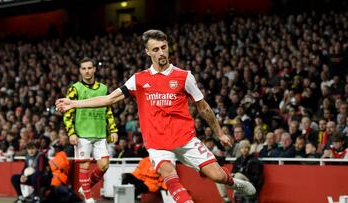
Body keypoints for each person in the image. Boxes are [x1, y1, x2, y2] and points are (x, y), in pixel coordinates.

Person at [56, 29, 256, 203]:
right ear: (148, 52)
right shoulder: (139, 79)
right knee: (168, 172)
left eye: (164, 47)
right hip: (157, 142)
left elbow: (203, 107)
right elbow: (108, 99)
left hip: (185, 138)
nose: (161, 52)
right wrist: (74, 103)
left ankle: (233, 182)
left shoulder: (184, 76)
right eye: (156, 49)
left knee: (217, 176)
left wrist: (219, 133)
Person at [63, 57, 119, 203]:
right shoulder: (75, 89)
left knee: (104, 165)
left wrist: (113, 129)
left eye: (89, 68)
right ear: (80, 71)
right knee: (85, 165)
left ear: (94, 69)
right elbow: (68, 112)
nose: (87, 71)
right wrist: (71, 132)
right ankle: (89, 199)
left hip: (100, 133)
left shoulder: (103, 88)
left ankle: (85, 187)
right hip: (83, 134)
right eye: (84, 69)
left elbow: (108, 110)